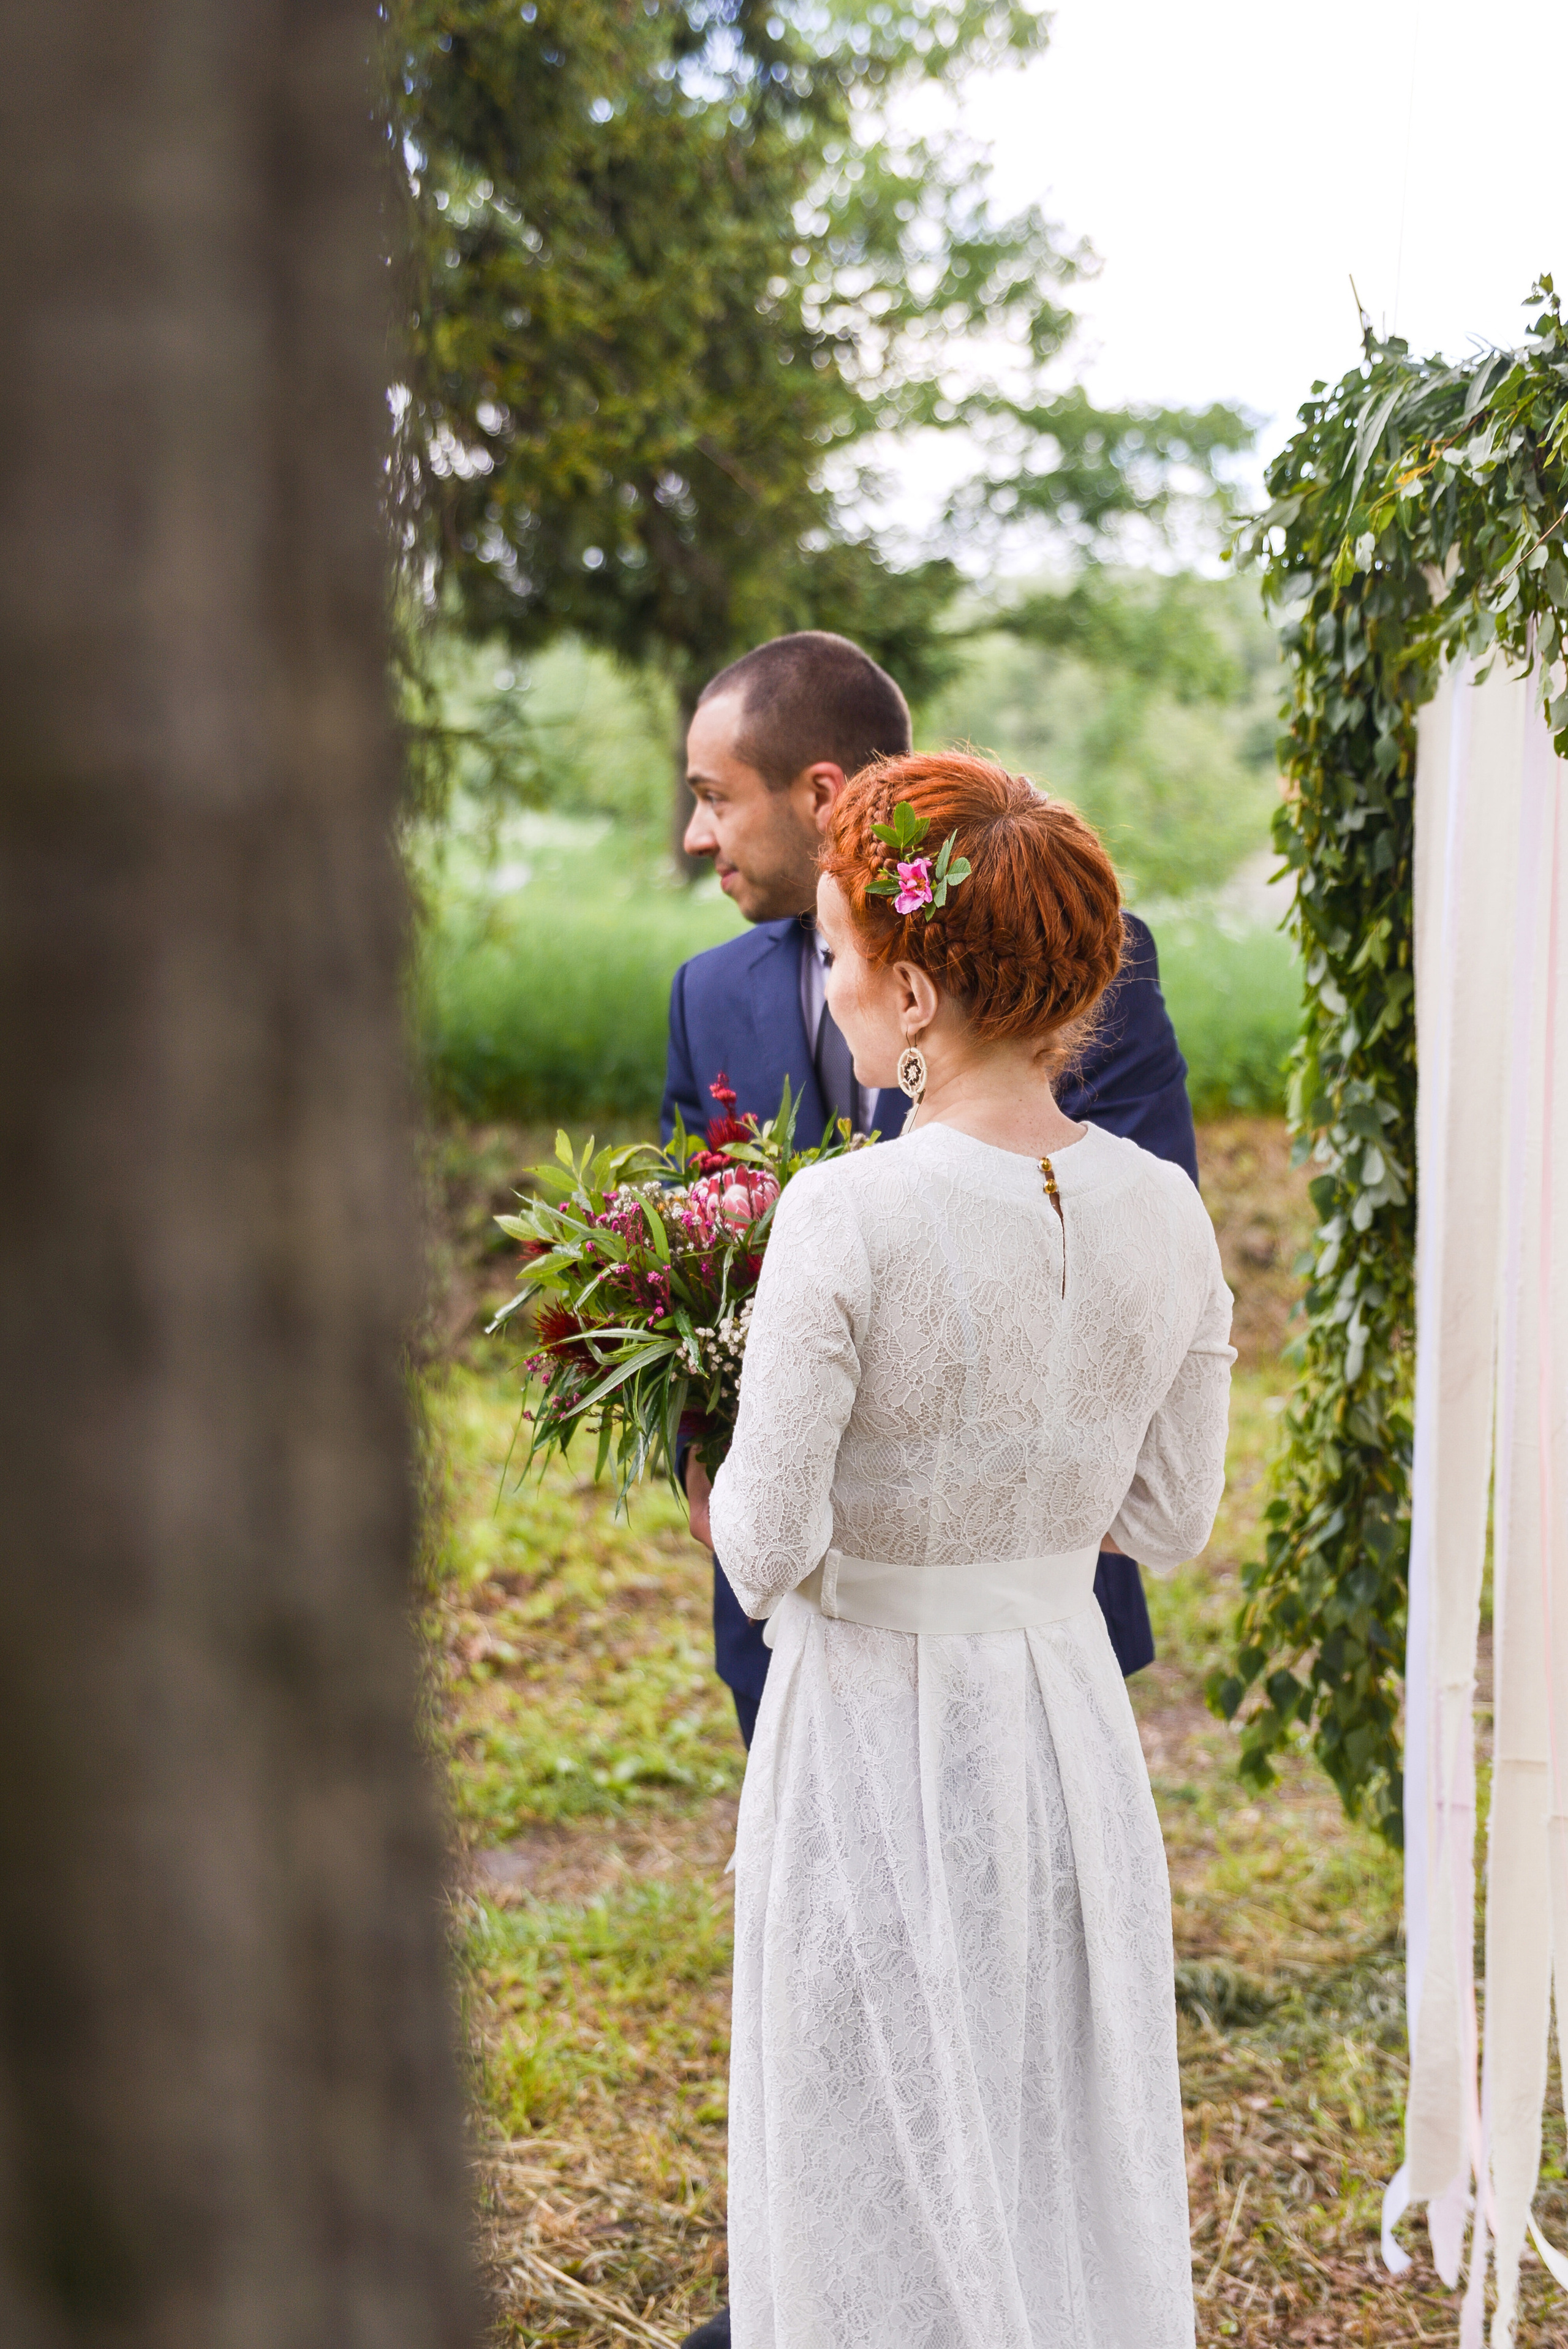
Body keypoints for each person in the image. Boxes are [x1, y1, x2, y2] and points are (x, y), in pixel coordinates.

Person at [708, 754, 1233, 2349]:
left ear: (918, 990)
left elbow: (762, 1544)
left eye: (840, 953)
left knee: (866, 2128)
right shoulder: (1166, 1210)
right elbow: (1170, 1521)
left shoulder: (845, 1217)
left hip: (873, 1725)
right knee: (1052, 2116)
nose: (832, 987)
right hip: (1064, 1719)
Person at [662, 630, 1199, 1753]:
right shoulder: (707, 992)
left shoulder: (1083, 967)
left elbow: (1110, 1277)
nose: (697, 834)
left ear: (906, 990)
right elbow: (1174, 1513)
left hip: (1006, 1610)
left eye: (714, 795)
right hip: (923, 1636)